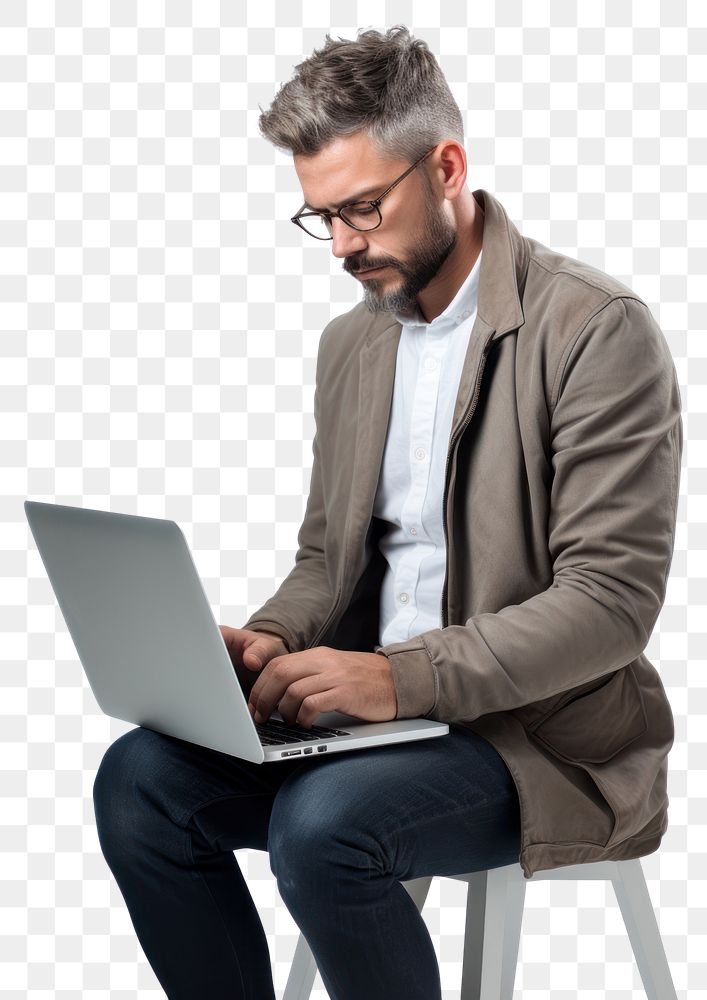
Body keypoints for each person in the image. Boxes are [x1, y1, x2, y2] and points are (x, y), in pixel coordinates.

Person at [92, 25, 682, 1000]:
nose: (341, 245)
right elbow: (328, 555)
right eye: (318, 217)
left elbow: (608, 603)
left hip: (539, 738)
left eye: (361, 208)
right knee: (139, 783)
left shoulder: (592, 329)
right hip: (374, 723)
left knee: (324, 827)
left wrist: (393, 678)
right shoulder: (353, 345)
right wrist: (270, 641)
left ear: (445, 165)